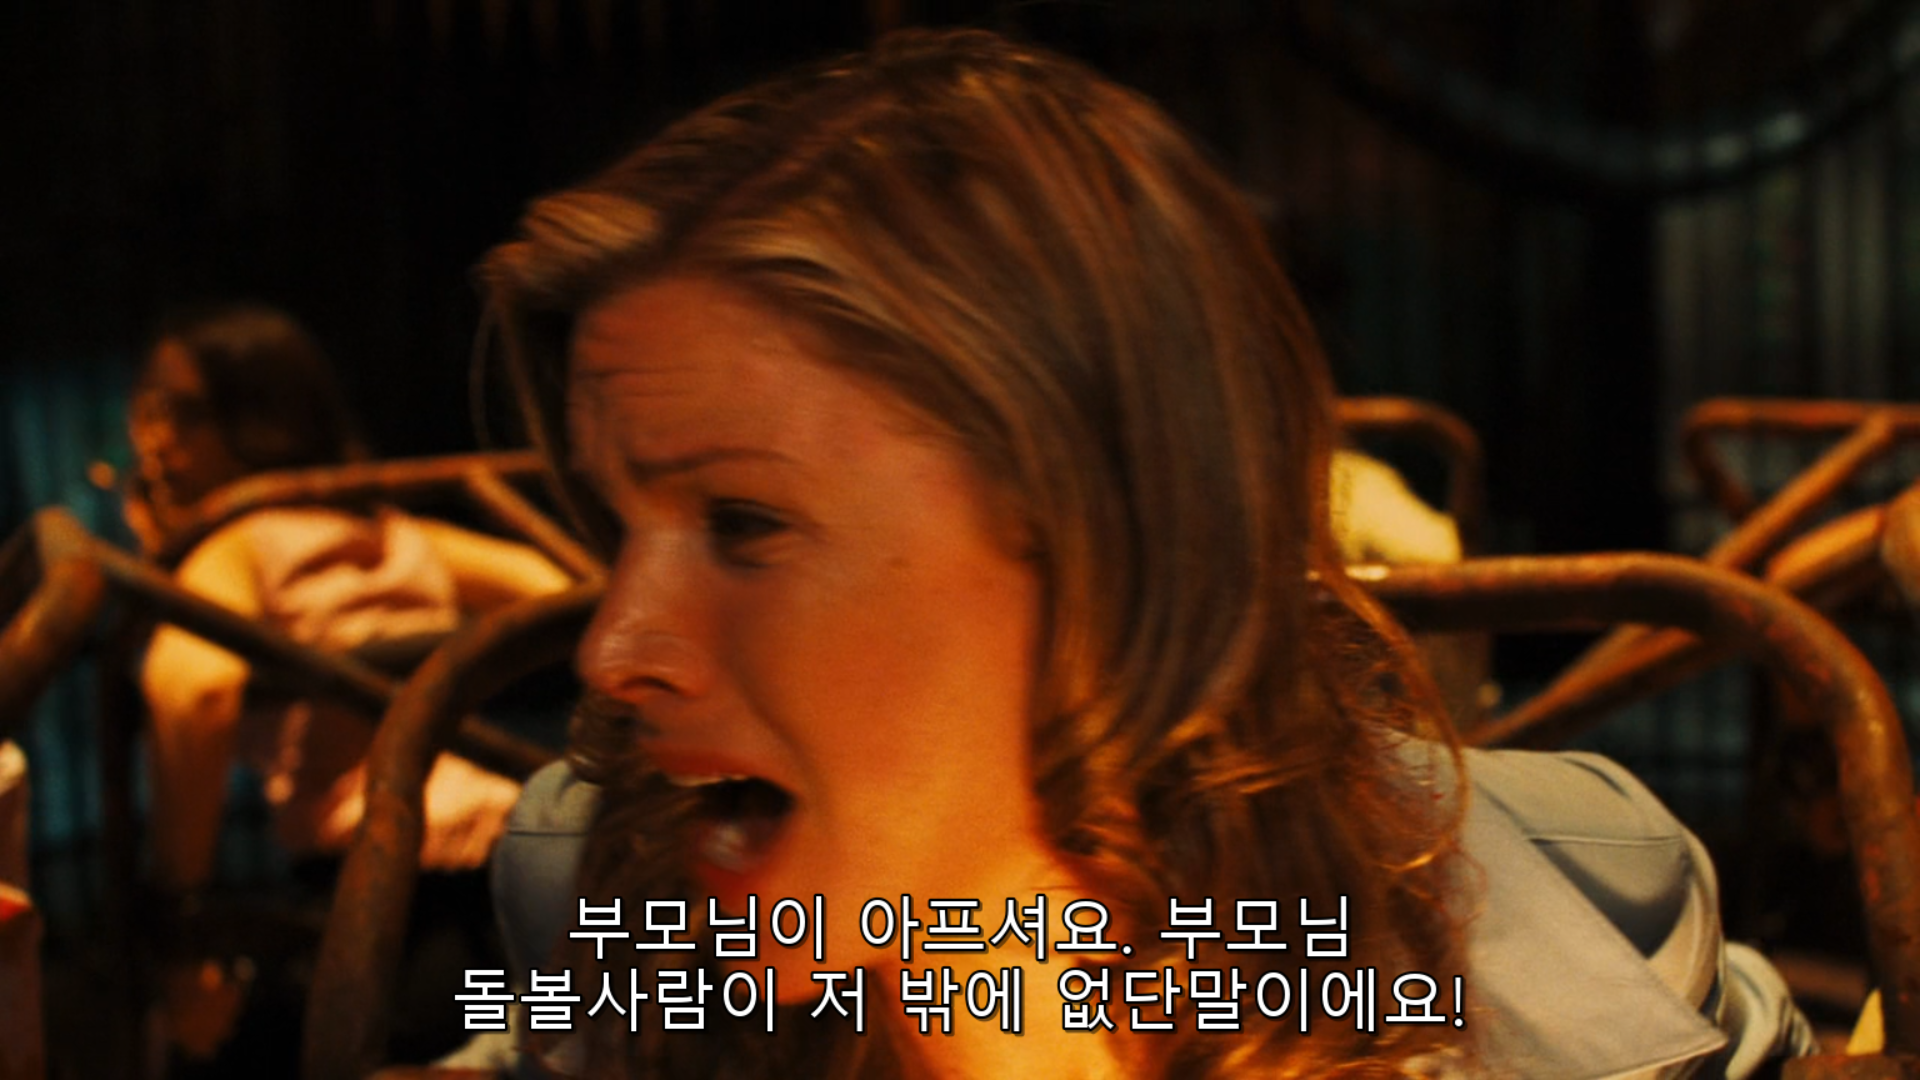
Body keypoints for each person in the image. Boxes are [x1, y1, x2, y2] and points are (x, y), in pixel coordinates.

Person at [478, 29, 1814, 1078]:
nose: (613, 650)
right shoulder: (600, 913)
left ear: (1098, 542)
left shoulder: (1579, 911)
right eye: (619, 525)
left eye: (745, 525)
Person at [129, 304, 572, 1062]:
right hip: (513, 865)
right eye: (151, 410)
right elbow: (561, 590)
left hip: (385, 898)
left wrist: (179, 918)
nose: (158, 442)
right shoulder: (392, 533)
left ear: (262, 420)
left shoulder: (238, 541)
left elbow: (193, 691)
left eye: (188, 414)